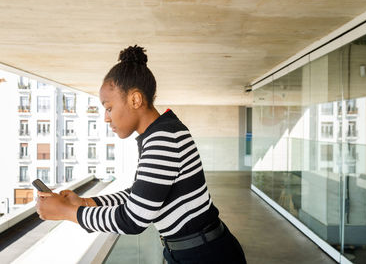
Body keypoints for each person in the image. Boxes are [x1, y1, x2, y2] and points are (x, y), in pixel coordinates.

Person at [36, 45, 247, 264]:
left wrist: (67, 212)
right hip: (194, 251)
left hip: (205, 256)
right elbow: (138, 196)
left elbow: (133, 219)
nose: (106, 118)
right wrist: (85, 202)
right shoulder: (161, 132)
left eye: (108, 108)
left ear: (135, 100)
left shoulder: (163, 138)